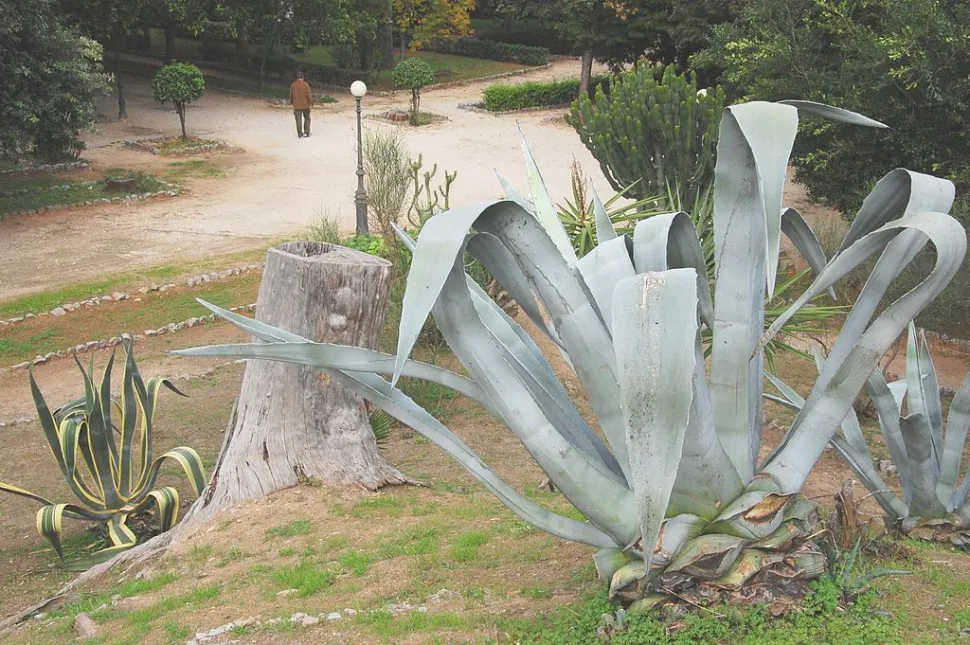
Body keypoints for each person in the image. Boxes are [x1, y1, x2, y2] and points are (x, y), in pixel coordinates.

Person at [289, 71, 312, 138]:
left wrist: (291, 101)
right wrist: (311, 102)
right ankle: (306, 132)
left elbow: (291, 94)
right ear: (303, 77)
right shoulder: (305, 84)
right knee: (307, 118)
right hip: (305, 105)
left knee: (298, 119)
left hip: (296, 105)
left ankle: (300, 134)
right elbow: (309, 94)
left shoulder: (293, 85)